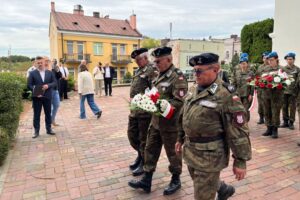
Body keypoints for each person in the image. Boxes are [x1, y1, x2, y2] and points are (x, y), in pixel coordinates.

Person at [175, 53, 252, 200]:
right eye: (194, 71)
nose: (195, 74)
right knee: (199, 181)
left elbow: (238, 130)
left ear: (216, 69)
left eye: (199, 71)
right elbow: (183, 116)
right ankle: (223, 189)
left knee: (202, 194)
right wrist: (180, 137)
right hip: (191, 151)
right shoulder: (193, 89)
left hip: (210, 156)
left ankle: (218, 188)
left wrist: (240, 161)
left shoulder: (226, 95)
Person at [128, 47, 188, 195]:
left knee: (172, 154)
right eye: (154, 61)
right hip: (155, 122)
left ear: (169, 59)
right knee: (150, 150)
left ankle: (176, 179)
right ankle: (147, 179)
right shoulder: (159, 76)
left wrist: (164, 105)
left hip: (170, 125)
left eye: (158, 61)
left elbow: (179, 101)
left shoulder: (177, 77)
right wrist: (146, 101)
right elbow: (154, 93)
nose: (156, 64)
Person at [127, 48, 156, 176]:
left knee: (144, 139)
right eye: (136, 60)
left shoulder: (151, 70)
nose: (137, 62)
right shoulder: (139, 70)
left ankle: (144, 163)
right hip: (135, 109)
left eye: (139, 59)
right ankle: (139, 156)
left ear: (145, 58)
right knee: (132, 135)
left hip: (145, 112)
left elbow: (155, 91)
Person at [27, 56, 57, 138]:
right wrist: (37, 91)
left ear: (44, 63)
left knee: (48, 114)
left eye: (41, 62)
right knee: (36, 114)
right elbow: (29, 85)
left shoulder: (49, 72)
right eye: (38, 63)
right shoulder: (32, 73)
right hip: (37, 97)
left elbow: (55, 82)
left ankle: (49, 129)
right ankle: (36, 131)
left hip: (47, 96)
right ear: (36, 64)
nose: (40, 64)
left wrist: (48, 85)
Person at [261, 52, 283, 138]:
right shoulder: (265, 69)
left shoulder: (281, 69)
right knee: (267, 111)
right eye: (269, 60)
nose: (270, 62)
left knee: (275, 112)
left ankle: (275, 130)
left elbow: (285, 81)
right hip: (266, 94)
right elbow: (261, 80)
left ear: (276, 59)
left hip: (277, 95)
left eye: (272, 60)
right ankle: (269, 128)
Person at [232, 57, 254, 121]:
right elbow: (233, 83)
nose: (243, 65)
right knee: (238, 109)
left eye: (244, 63)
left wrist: (251, 94)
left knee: (245, 109)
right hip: (238, 94)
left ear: (247, 64)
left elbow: (252, 84)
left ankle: (245, 124)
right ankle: (240, 123)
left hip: (246, 94)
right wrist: (233, 93)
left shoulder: (250, 73)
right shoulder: (237, 72)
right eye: (241, 64)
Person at [281, 52, 299, 130]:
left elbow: (298, 81)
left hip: (293, 92)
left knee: (292, 108)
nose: (289, 61)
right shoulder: (283, 69)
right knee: (284, 107)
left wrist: (295, 91)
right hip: (284, 91)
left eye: (291, 59)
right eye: (288, 59)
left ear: (294, 60)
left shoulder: (297, 69)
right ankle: (285, 122)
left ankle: (291, 122)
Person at [255, 52, 270, 124]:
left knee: (267, 104)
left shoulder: (271, 67)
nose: (265, 59)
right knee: (260, 104)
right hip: (260, 89)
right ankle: (261, 118)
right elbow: (257, 76)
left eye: (267, 58)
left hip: (268, 89)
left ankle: (267, 119)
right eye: (264, 58)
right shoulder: (260, 67)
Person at [51, 60, 62, 126]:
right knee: (49, 107)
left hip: (55, 90)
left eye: (55, 61)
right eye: (53, 61)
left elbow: (59, 76)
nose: (54, 62)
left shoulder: (55, 69)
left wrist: (57, 70)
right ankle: (50, 122)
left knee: (56, 105)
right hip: (49, 91)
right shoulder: (47, 70)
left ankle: (52, 119)